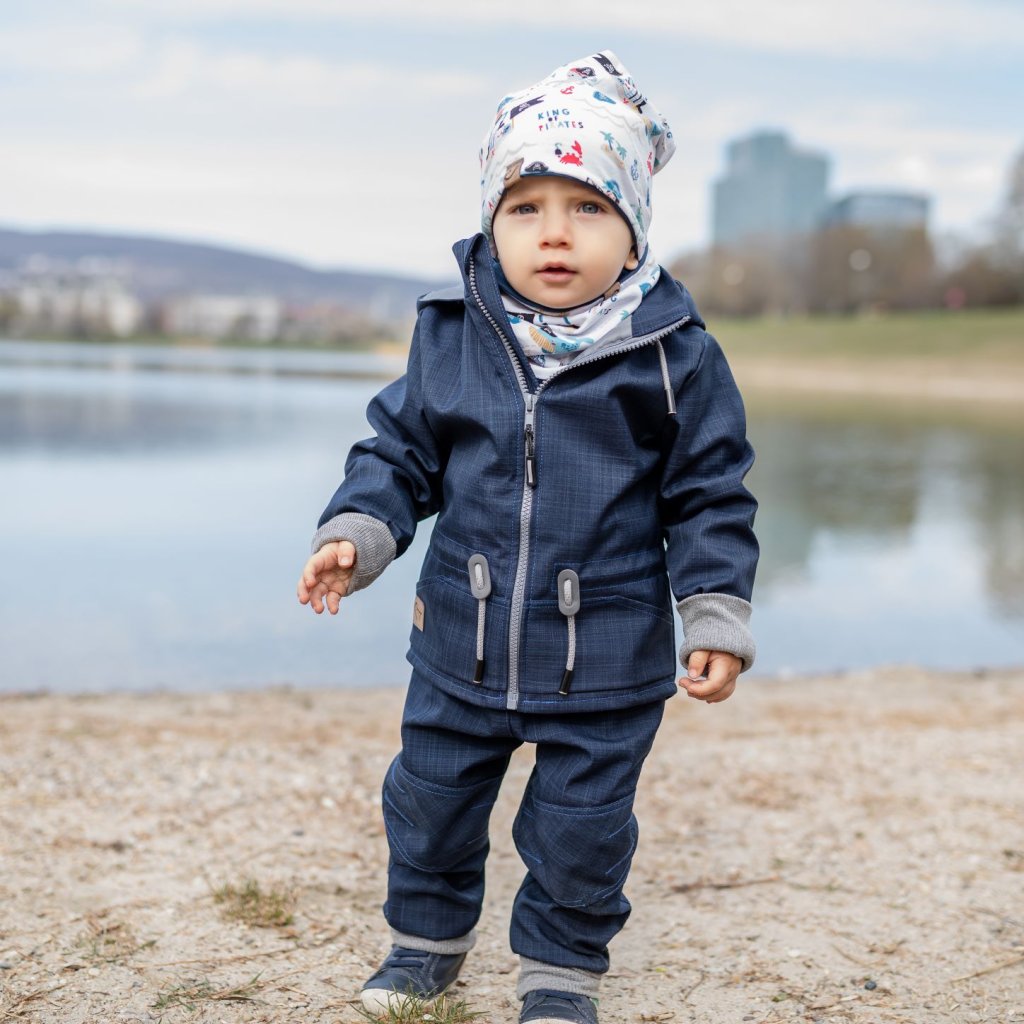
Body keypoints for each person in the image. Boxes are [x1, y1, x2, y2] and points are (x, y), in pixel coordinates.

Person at [297, 49, 758, 1024]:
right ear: (490, 223)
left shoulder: (674, 357)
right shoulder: (450, 336)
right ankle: (425, 946)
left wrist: (714, 613)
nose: (554, 232)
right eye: (525, 207)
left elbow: (710, 496)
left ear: (632, 234)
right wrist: (360, 531)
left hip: (609, 653)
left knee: (582, 828)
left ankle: (558, 973)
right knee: (428, 799)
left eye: (588, 206)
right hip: (459, 638)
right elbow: (398, 454)